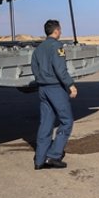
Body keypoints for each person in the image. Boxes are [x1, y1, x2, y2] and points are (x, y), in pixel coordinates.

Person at [31, 19, 78, 171]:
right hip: (55, 88)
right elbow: (60, 69)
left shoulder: (38, 49)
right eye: (60, 30)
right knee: (67, 121)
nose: (61, 33)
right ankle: (54, 155)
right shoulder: (57, 46)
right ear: (56, 31)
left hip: (43, 89)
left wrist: (42, 81)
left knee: (46, 123)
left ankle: (39, 159)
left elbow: (34, 68)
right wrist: (70, 85)